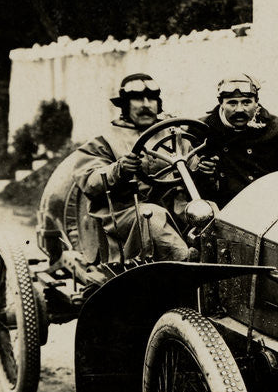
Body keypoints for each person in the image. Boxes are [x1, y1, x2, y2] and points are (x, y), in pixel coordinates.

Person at [57, 73, 191, 262]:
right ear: (124, 105)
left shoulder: (174, 134)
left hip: (174, 206)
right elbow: (89, 180)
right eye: (137, 99)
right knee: (152, 216)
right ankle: (183, 262)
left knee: (207, 212)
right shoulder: (104, 139)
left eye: (151, 98)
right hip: (123, 213)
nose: (146, 104)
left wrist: (203, 167)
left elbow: (193, 163)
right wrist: (118, 169)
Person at [196, 73, 278, 206]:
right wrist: (203, 172)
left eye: (246, 102)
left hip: (267, 205)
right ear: (221, 103)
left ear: (256, 102)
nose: (239, 109)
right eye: (232, 103)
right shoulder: (201, 129)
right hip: (221, 210)